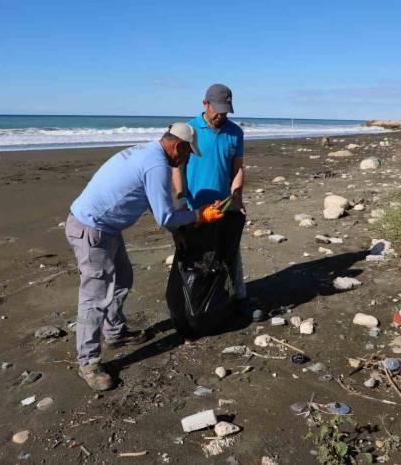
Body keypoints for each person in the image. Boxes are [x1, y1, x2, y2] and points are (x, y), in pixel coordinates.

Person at [66, 123, 224, 391]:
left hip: (106, 228)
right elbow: (163, 215)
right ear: (178, 146)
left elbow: (154, 201)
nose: (185, 160)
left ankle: (115, 333)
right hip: (92, 231)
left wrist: (176, 232)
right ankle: (88, 362)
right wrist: (199, 215)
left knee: (123, 279)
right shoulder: (157, 165)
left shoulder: (149, 152)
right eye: (187, 154)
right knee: (94, 298)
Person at [172, 83, 267, 322]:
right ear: (205, 103)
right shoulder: (189, 129)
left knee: (230, 254)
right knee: (194, 259)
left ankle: (239, 298)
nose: (221, 116)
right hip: (194, 210)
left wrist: (238, 195)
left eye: (226, 111)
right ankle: (192, 306)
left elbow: (237, 169)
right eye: (218, 110)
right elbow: (177, 168)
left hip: (223, 207)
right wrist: (181, 199)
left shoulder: (235, 132)